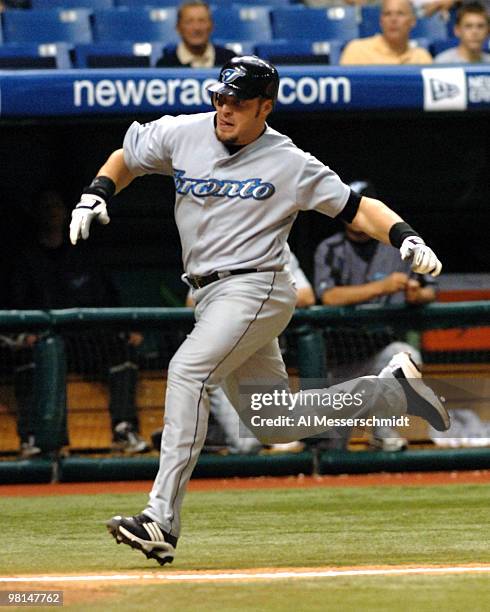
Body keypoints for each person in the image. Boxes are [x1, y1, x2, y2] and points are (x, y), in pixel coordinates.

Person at [69, 55, 448, 566]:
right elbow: (127, 156)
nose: (225, 108)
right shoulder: (184, 132)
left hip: (257, 287)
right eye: (220, 97)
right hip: (209, 295)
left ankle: (161, 518)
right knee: (274, 422)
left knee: (187, 371)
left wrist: (404, 235)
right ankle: (389, 391)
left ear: (264, 107)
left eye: (238, 102)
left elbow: (359, 210)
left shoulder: (288, 161)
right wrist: (96, 193)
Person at [9, 189, 149, 456]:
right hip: (46, 343)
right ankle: (32, 437)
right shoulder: (26, 259)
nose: (52, 213)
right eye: (46, 207)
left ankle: (124, 429)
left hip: (86, 342)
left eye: (57, 206)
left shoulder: (83, 255)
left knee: (124, 351)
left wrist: (123, 330)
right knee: (27, 359)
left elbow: (107, 297)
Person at [314, 180, 437, 451]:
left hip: (382, 349)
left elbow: (429, 291)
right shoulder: (330, 249)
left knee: (404, 356)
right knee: (330, 448)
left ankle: (383, 432)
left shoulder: (398, 247)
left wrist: (417, 294)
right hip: (340, 359)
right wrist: (382, 287)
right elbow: (328, 297)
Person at [340, 0, 434, 65]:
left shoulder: (422, 57)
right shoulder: (357, 51)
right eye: (387, 14)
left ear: (412, 21)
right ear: (381, 21)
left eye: (400, 13)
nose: (393, 19)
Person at [156, 1, 235, 69]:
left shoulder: (230, 61)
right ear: (178, 27)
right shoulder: (164, 64)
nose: (196, 28)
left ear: (211, 26)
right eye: (189, 22)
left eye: (202, 21)